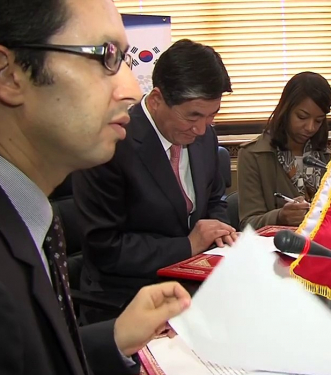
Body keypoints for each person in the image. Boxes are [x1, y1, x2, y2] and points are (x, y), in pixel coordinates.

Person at [0, 0, 191, 375]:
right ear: (7, 74)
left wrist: (116, 337)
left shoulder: (3, 212)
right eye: (106, 57)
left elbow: (27, 358)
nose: (132, 90)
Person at [72, 39, 237, 323]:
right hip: (125, 299)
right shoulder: (110, 143)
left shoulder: (205, 135)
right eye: (193, 116)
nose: (201, 129)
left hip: (196, 287)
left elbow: (214, 198)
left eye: (212, 115)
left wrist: (217, 232)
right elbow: (106, 248)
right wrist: (189, 246)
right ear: (157, 99)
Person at [237, 72, 331, 229]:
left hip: (323, 245)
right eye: (302, 117)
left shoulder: (329, 159)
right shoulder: (253, 155)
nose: (310, 127)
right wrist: (280, 216)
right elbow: (247, 224)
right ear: (285, 110)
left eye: (318, 121)